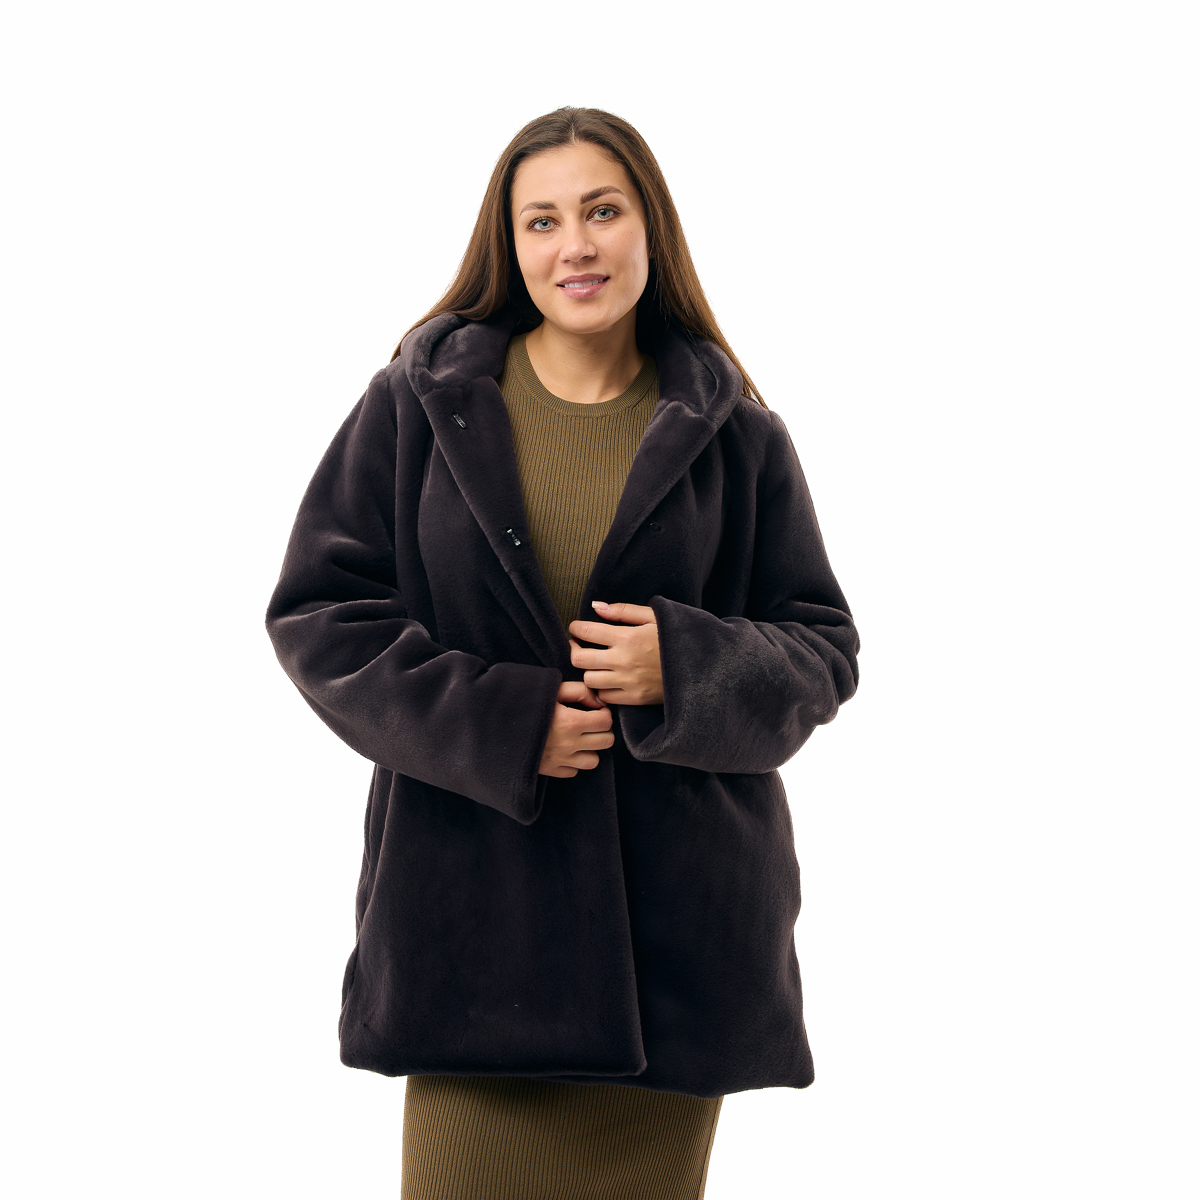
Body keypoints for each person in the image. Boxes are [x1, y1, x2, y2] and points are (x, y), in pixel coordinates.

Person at [266, 106, 860, 1200]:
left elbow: (821, 648)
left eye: (601, 211)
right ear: (511, 245)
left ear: (650, 227)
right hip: (474, 936)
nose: (574, 246)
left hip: (673, 960)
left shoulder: (738, 435)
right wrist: (503, 721)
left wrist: (685, 666)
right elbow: (322, 615)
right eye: (541, 221)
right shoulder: (419, 408)